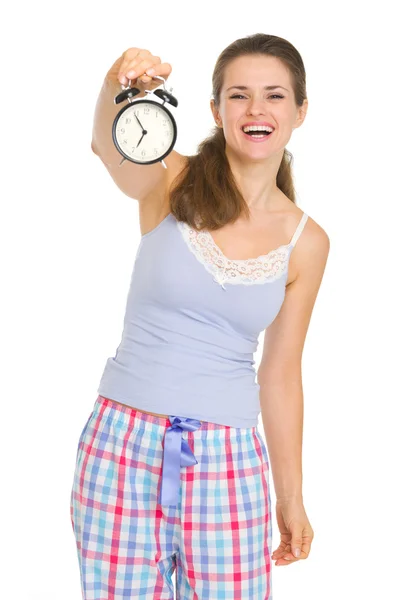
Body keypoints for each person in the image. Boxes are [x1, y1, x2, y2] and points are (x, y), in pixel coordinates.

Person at [70, 33, 329, 600]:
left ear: (300, 111)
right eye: (239, 95)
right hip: (120, 443)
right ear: (216, 110)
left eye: (275, 96)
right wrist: (116, 82)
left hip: (227, 460)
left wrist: (291, 495)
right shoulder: (170, 180)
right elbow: (106, 142)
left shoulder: (306, 242)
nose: (256, 110)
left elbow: (281, 374)